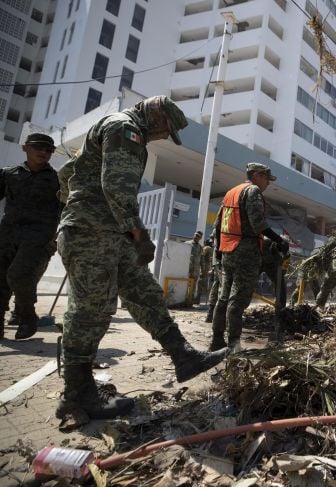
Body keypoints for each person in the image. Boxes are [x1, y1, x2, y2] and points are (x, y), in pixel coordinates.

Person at [55, 95, 228, 420]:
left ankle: (184, 357)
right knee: (93, 308)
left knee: (145, 294)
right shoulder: (126, 129)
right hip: (93, 232)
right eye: (165, 131)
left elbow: (68, 173)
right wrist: (138, 232)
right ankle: (76, 395)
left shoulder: (116, 128)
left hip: (107, 232)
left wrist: (73, 202)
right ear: (157, 117)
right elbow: (116, 187)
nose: (163, 137)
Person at [209, 162, 288, 350]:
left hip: (228, 251)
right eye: (267, 179)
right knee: (238, 299)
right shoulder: (252, 191)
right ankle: (234, 345)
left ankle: (217, 340)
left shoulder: (231, 192)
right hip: (246, 252)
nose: (268, 183)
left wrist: (219, 251)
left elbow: (218, 225)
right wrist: (279, 240)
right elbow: (258, 224)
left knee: (224, 297)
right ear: (257, 175)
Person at [0, 133, 62, 340]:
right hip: (7, 234)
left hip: (38, 237)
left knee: (18, 275)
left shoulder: (58, 180)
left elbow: (67, 209)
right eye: (39, 148)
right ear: (25, 148)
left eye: (49, 150)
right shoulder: (8, 174)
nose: (44, 153)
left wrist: (56, 237)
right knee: (1, 281)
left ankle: (27, 316)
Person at [185, 230, 203, 306]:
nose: (196, 237)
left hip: (195, 270)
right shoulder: (187, 244)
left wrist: (203, 269)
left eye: (198, 236)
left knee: (193, 286)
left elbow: (202, 259)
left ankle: (190, 302)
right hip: (187, 269)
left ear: (200, 238)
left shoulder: (200, 247)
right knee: (185, 285)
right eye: (195, 235)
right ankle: (184, 301)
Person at [197, 237, 213, 306]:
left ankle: (197, 299)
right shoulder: (212, 249)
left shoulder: (206, 248)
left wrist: (202, 269)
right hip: (210, 268)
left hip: (205, 268)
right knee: (207, 284)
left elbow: (202, 257)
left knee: (200, 283)